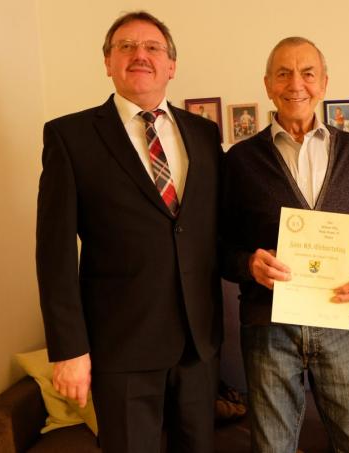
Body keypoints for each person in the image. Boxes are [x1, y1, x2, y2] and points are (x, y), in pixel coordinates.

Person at [35, 11, 223, 453]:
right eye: (126, 47)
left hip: (199, 345)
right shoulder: (70, 136)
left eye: (153, 47)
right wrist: (68, 350)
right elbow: (54, 253)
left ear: (171, 66)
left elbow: (213, 229)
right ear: (108, 62)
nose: (140, 55)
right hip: (121, 348)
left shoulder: (205, 134)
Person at [220, 37, 349, 453]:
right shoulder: (239, 160)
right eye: (284, 73)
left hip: (342, 322)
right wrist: (248, 264)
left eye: (308, 73)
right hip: (268, 326)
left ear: (323, 83)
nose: (297, 84)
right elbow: (218, 247)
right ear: (268, 84)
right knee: (273, 447)